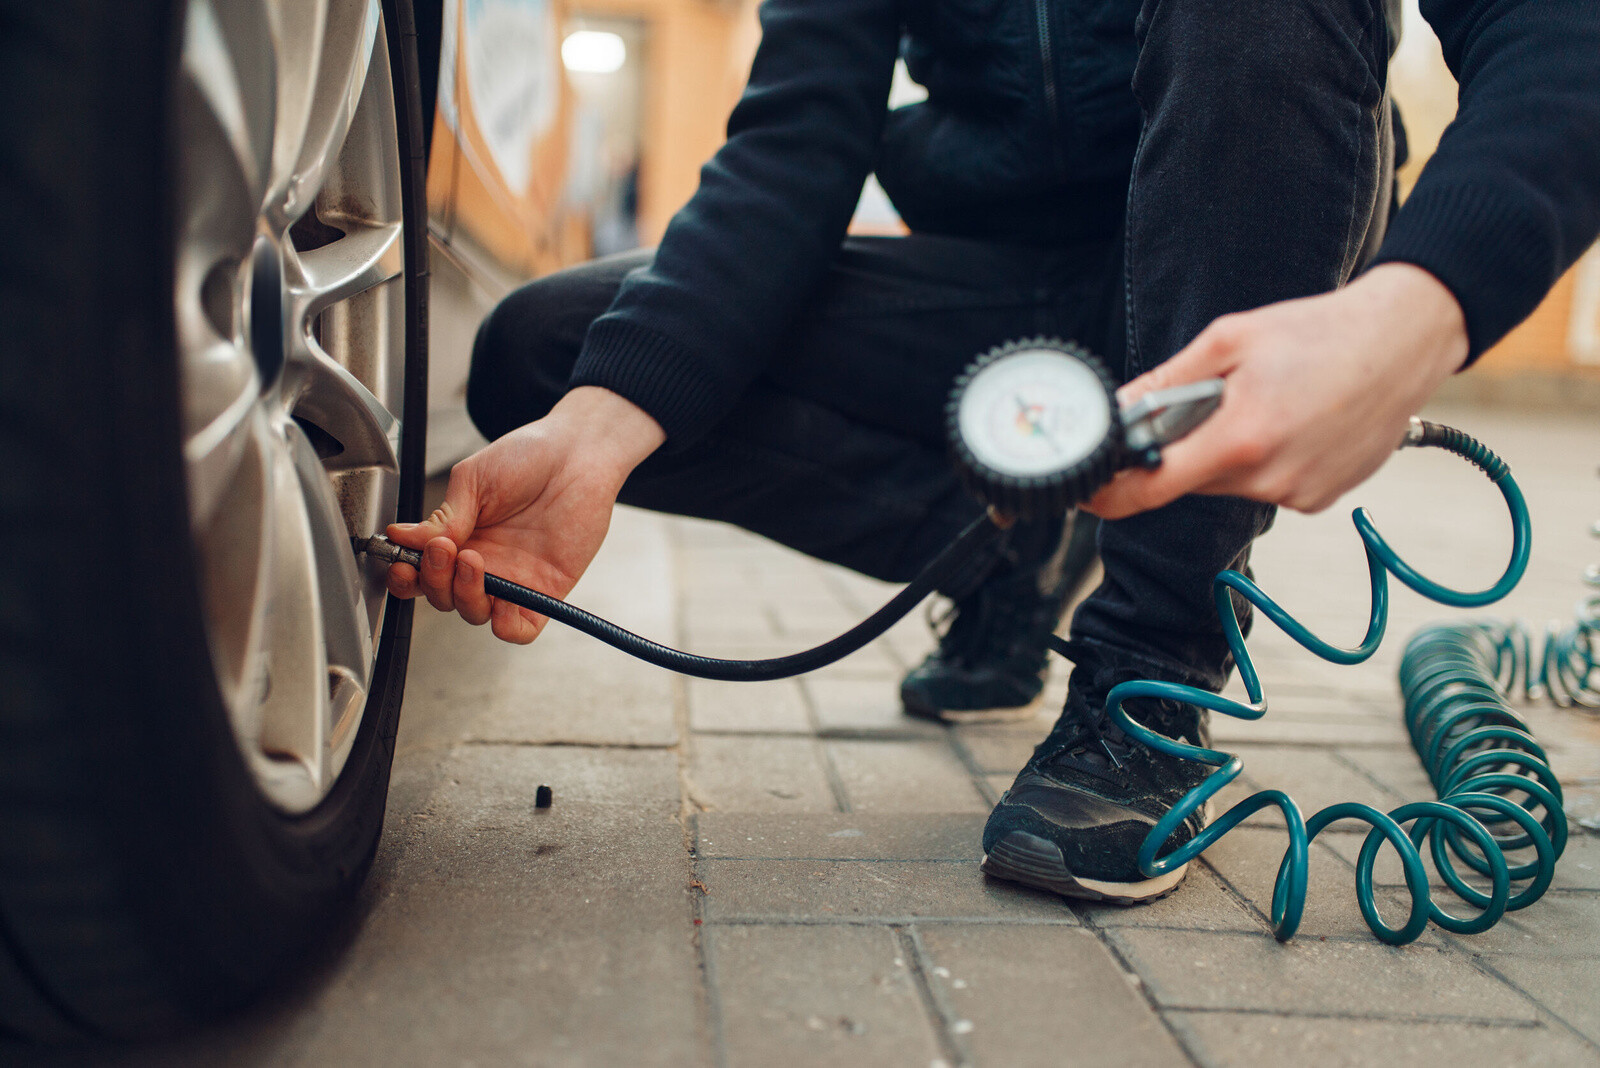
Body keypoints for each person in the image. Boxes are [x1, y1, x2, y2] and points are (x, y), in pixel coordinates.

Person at [385, 0, 1600, 903]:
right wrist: (600, 429)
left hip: (1252, 253)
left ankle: (1149, 675)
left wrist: (1415, 309)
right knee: (549, 351)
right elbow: (791, 148)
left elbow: (1559, 35)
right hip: (1007, 295)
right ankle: (1012, 555)